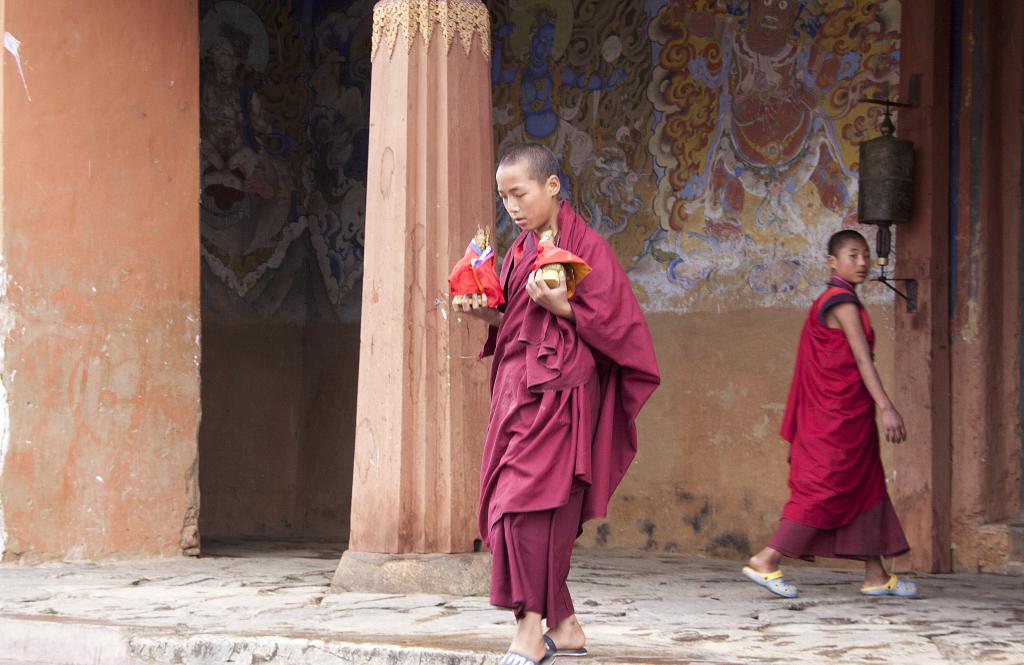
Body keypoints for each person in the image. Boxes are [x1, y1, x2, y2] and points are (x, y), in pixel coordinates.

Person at [453, 143, 660, 665]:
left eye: (519, 193)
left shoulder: (587, 248)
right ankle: (564, 627)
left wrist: (566, 307)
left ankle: (528, 630)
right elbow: (519, 324)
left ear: (551, 186)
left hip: (563, 395)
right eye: (504, 199)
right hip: (517, 394)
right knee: (514, 508)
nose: (512, 207)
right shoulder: (520, 250)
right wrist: (485, 318)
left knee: (527, 510)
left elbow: (623, 329)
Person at [743, 230, 917, 599]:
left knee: (867, 488)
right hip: (834, 420)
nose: (863, 262)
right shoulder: (842, 303)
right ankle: (766, 558)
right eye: (853, 255)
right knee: (824, 489)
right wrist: (887, 406)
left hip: (848, 415)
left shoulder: (835, 299)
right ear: (832, 262)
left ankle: (875, 574)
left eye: (866, 255)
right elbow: (859, 359)